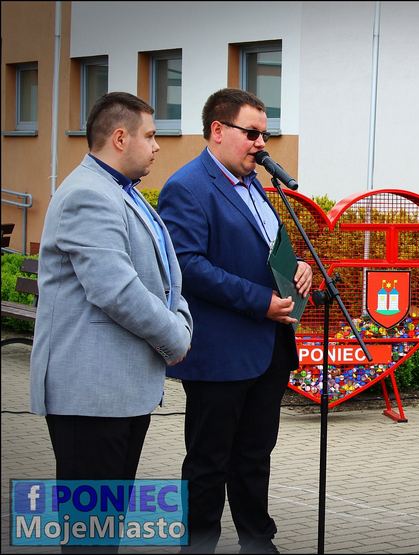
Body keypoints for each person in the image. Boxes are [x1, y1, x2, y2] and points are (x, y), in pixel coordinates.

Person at [29, 92, 193, 549]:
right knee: (90, 538)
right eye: (152, 135)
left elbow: (164, 276)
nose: (158, 146)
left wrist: (180, 320)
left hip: (119, 394)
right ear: (120, 138)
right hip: (90, 396)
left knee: (106, 530)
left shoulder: (124, 193)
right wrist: (175, 339)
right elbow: (115, 289)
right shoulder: (88, 195)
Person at [157, 88, 312, 554]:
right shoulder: (187, 187)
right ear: (218, 130)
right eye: (252, 133)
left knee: (254, 456)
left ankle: (257, 541)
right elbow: (187, 265)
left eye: (265, 134)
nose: (261, 144)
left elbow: (267, 252)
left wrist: (296, 266)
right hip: (220, 352)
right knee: (208, 461)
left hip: (268, 349)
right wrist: (259, 300)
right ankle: (199, 544)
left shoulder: (258, 187)